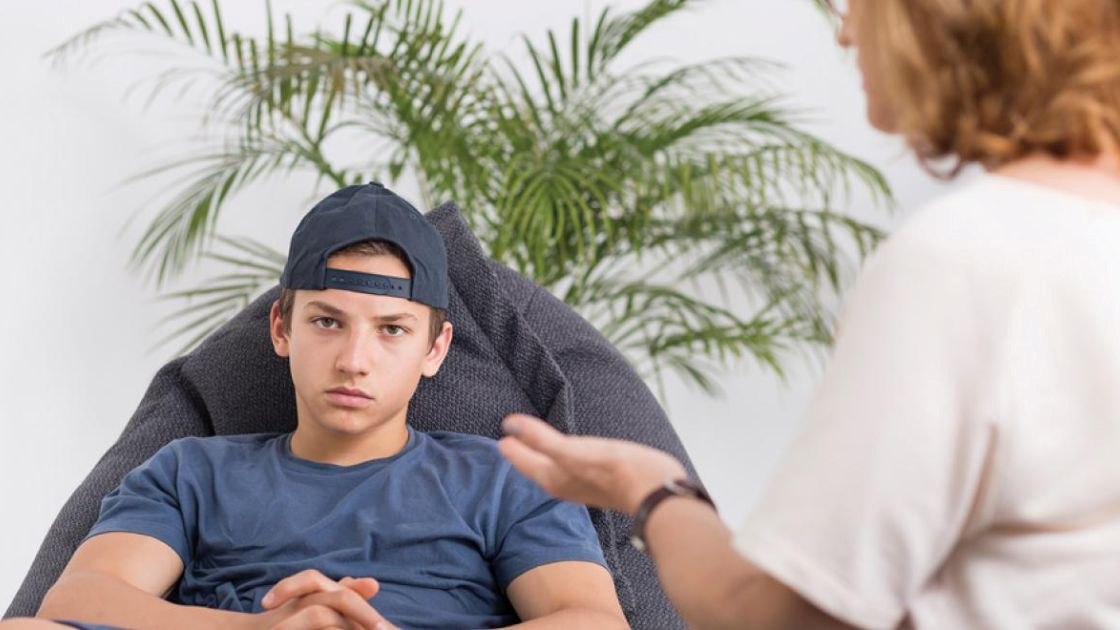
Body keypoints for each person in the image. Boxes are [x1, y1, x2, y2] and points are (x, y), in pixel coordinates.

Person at [498, 0, 1120, 628]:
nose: (846, 33)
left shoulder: (968, 260)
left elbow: (778, 616)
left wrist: (653, 490)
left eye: (860, 6)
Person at [4, 183, 626, 629]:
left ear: (436, 349)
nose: (354, 359)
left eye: (392, 330)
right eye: (328, 321)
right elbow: (79, 597)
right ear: (281, 328)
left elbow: (593, 620)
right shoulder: (191, 470)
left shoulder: (504, 477)